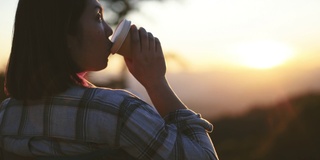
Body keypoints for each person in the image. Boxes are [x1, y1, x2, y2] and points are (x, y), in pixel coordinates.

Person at [0, 0, 219, 159]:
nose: (108, 30)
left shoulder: (5, 115)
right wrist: (156, 82)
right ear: (64, 32)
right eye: (97, 17)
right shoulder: (118, 111)